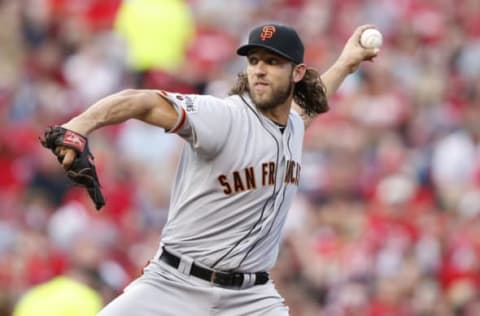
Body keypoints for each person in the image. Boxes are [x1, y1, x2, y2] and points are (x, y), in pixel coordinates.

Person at [50, 23, 379, 316]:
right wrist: (79, 125)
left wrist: (346, 64)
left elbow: (309, 105)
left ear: (297, 73)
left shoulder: (291, 124)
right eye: (254, 61)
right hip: (175, 284)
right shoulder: (223, 117)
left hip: (251, 298)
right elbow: (145, 102)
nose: (260, 70)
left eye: (273, 62)